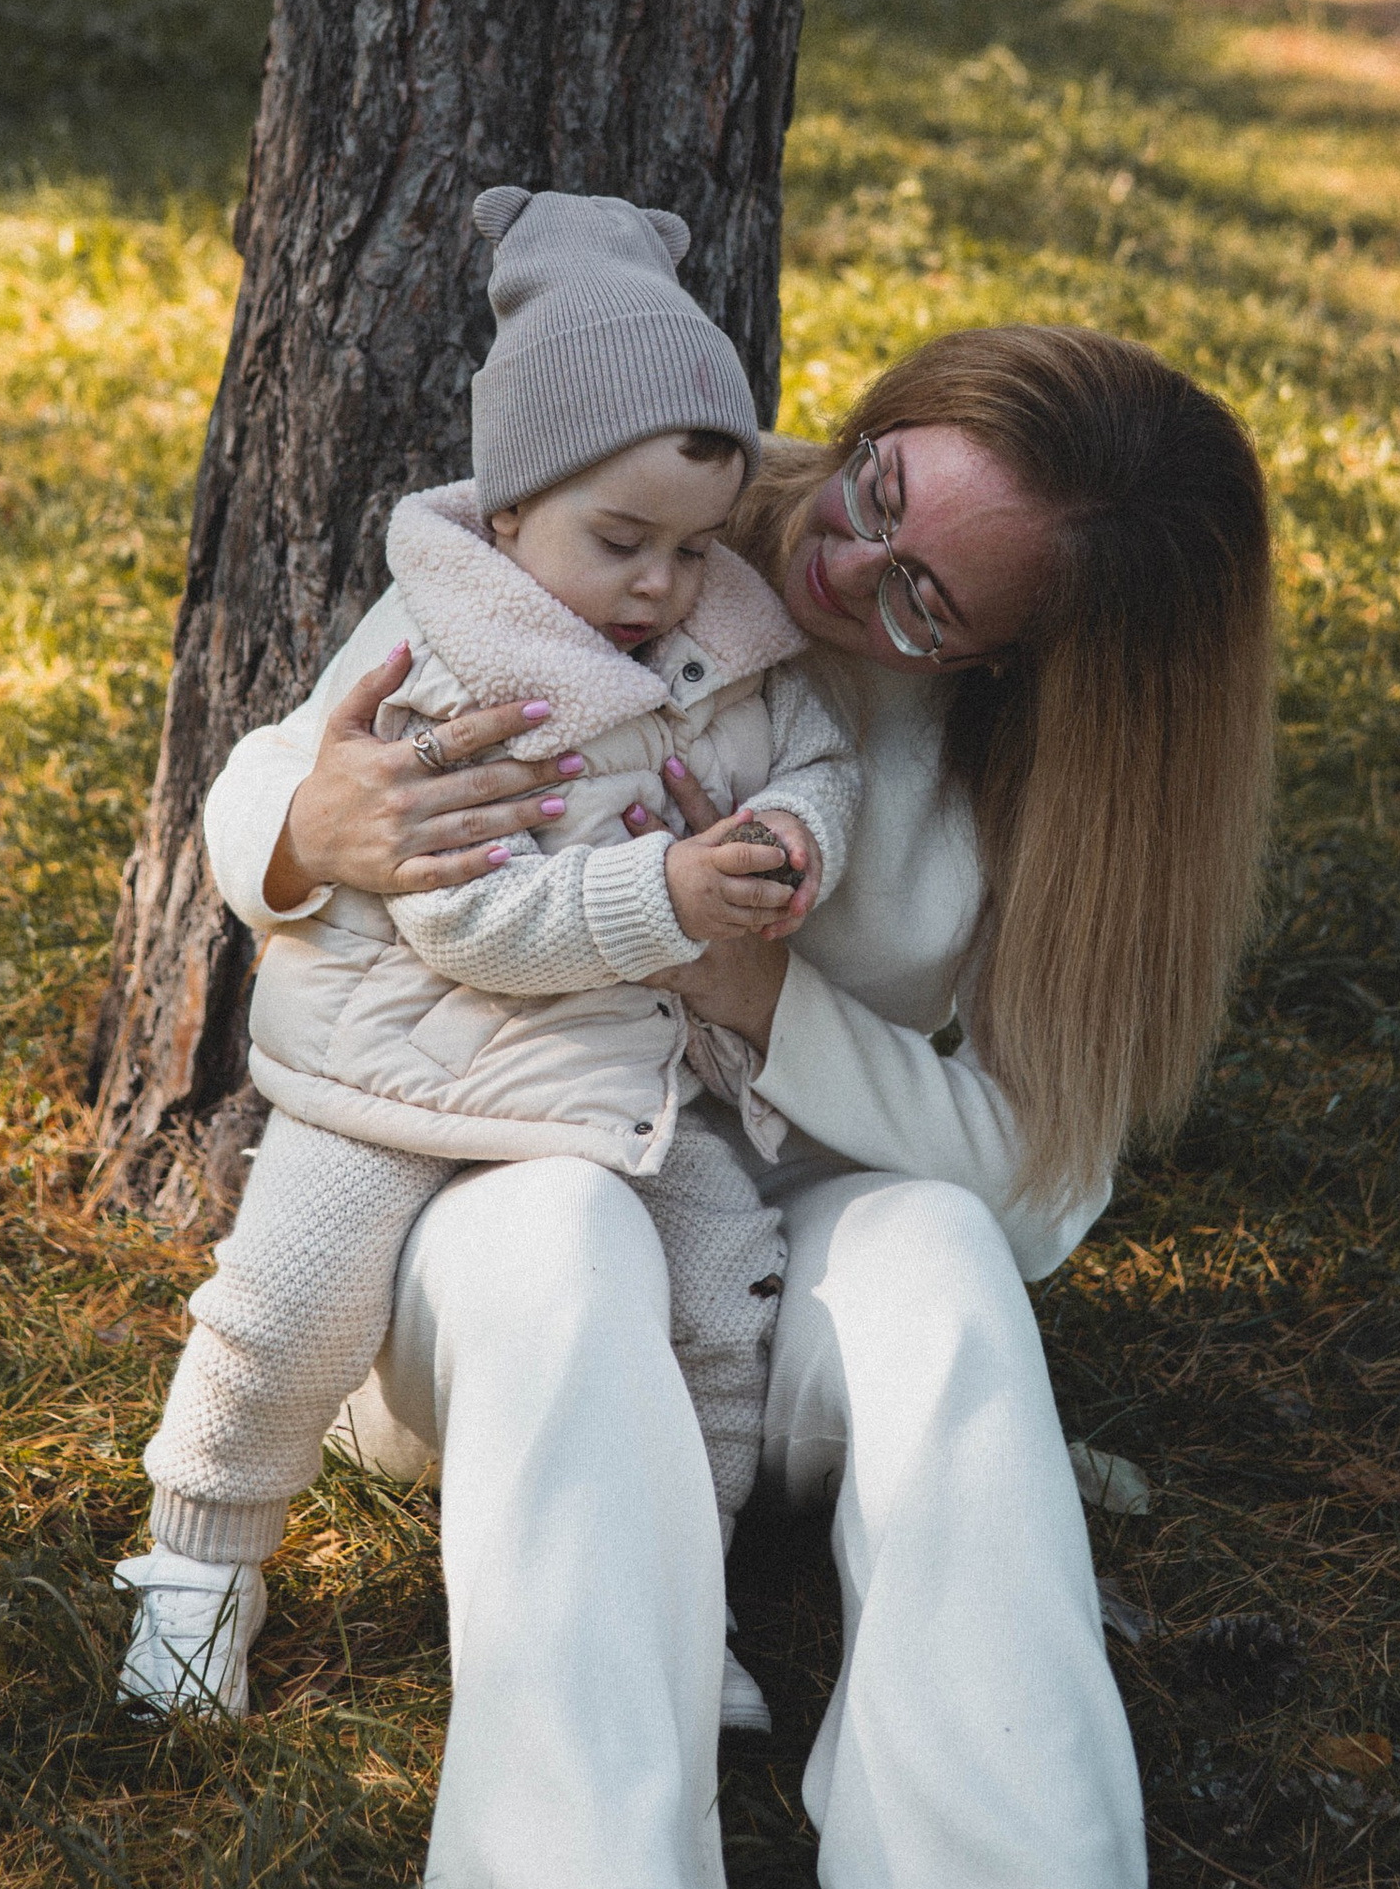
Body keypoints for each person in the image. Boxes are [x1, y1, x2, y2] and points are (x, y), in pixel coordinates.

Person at [186, 320, 1279, 1889]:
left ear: (1036, 661)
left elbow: (1033, 1197)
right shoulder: (649, 532)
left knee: (936, 1250)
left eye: (931, 597)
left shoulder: (1054, 788)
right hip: (488, 1268)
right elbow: (299, 755)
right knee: (560, 1227)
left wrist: (762, 995)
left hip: (772, 1286)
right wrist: (296, 825)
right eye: (876, 491)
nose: (847, 568)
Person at [116, 190, 859, 1736]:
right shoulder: (459, 673)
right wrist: (671, 891)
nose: (661, 585)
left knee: (721, 1304)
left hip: (612, 1075)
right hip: (399, 1059)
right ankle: (199, 1569)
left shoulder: (719, 642)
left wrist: (793, 831)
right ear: (512, 510)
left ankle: (682, 1589)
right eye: (622, 542)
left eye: (694, 546)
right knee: (288, 1308)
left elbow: (821, 756)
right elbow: (463, 915)